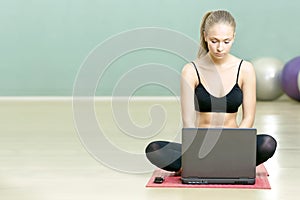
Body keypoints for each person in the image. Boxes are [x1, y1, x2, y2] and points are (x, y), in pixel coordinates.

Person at [145, 10, 277, 174]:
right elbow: (188, 121)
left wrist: (238, 145)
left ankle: (211, 167)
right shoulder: (191, 70)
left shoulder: (245, 69)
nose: (220, 48)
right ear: (205, 36)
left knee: (267, 143)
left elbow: (248, 117)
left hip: (234, 147)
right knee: (154, 149)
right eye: (214, 41)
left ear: (233, 37)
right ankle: (221, 167)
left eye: (226, 41)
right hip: (200, 149)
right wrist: (192, 155)